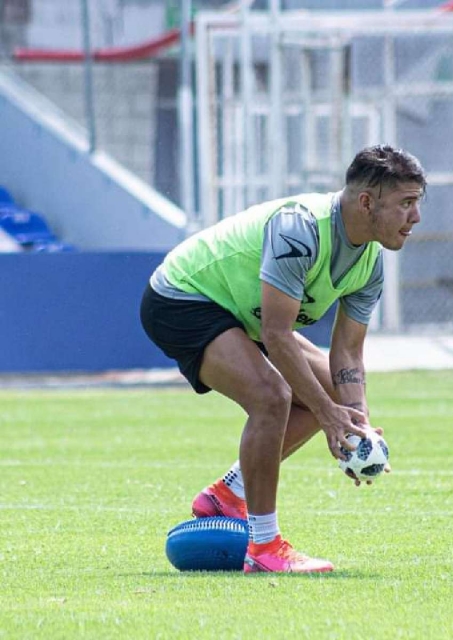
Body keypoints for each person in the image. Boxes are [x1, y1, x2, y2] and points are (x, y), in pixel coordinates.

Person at [140, 144, 426, 573]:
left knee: (329, 394)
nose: (415, 217)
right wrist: (329, 415)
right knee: (272, 396)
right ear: (367, 202)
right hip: (182, 297)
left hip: (241, 313)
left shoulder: (370, 261)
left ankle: (227, 494)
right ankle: (264, 548)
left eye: (417, 204)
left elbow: (347, 353)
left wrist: (356, 423)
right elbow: (276, 334)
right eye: (406, 203)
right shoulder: (300, 229)